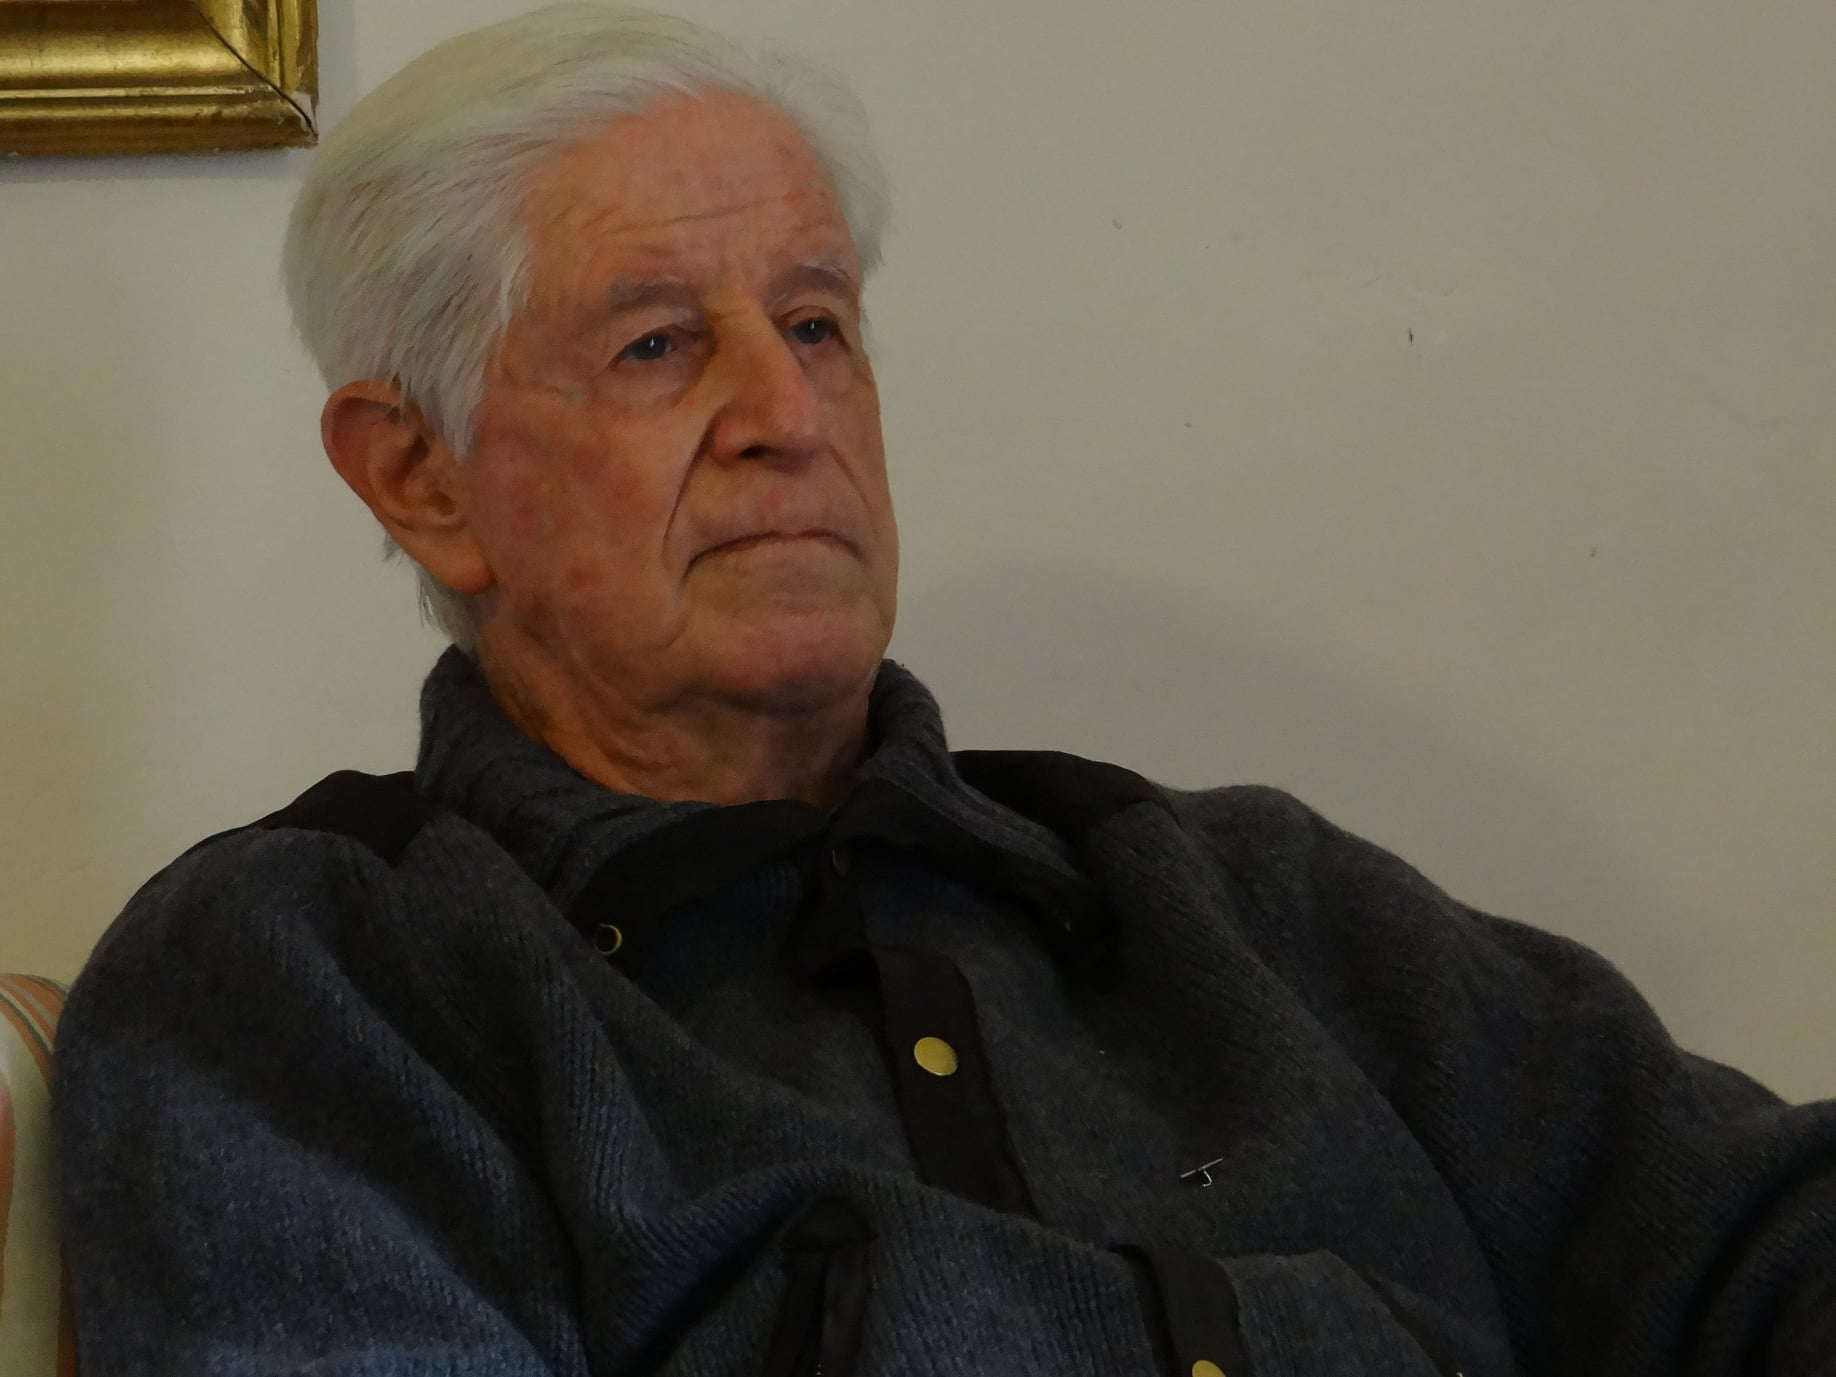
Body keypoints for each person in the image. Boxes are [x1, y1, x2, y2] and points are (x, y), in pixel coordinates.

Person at [52, 5, 1835, 1374]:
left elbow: (1767, 1234)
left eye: (818, 324)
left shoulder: (1243, 898)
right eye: (659, 342)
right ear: (418, 474)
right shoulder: (311, 978)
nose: (787, 414)